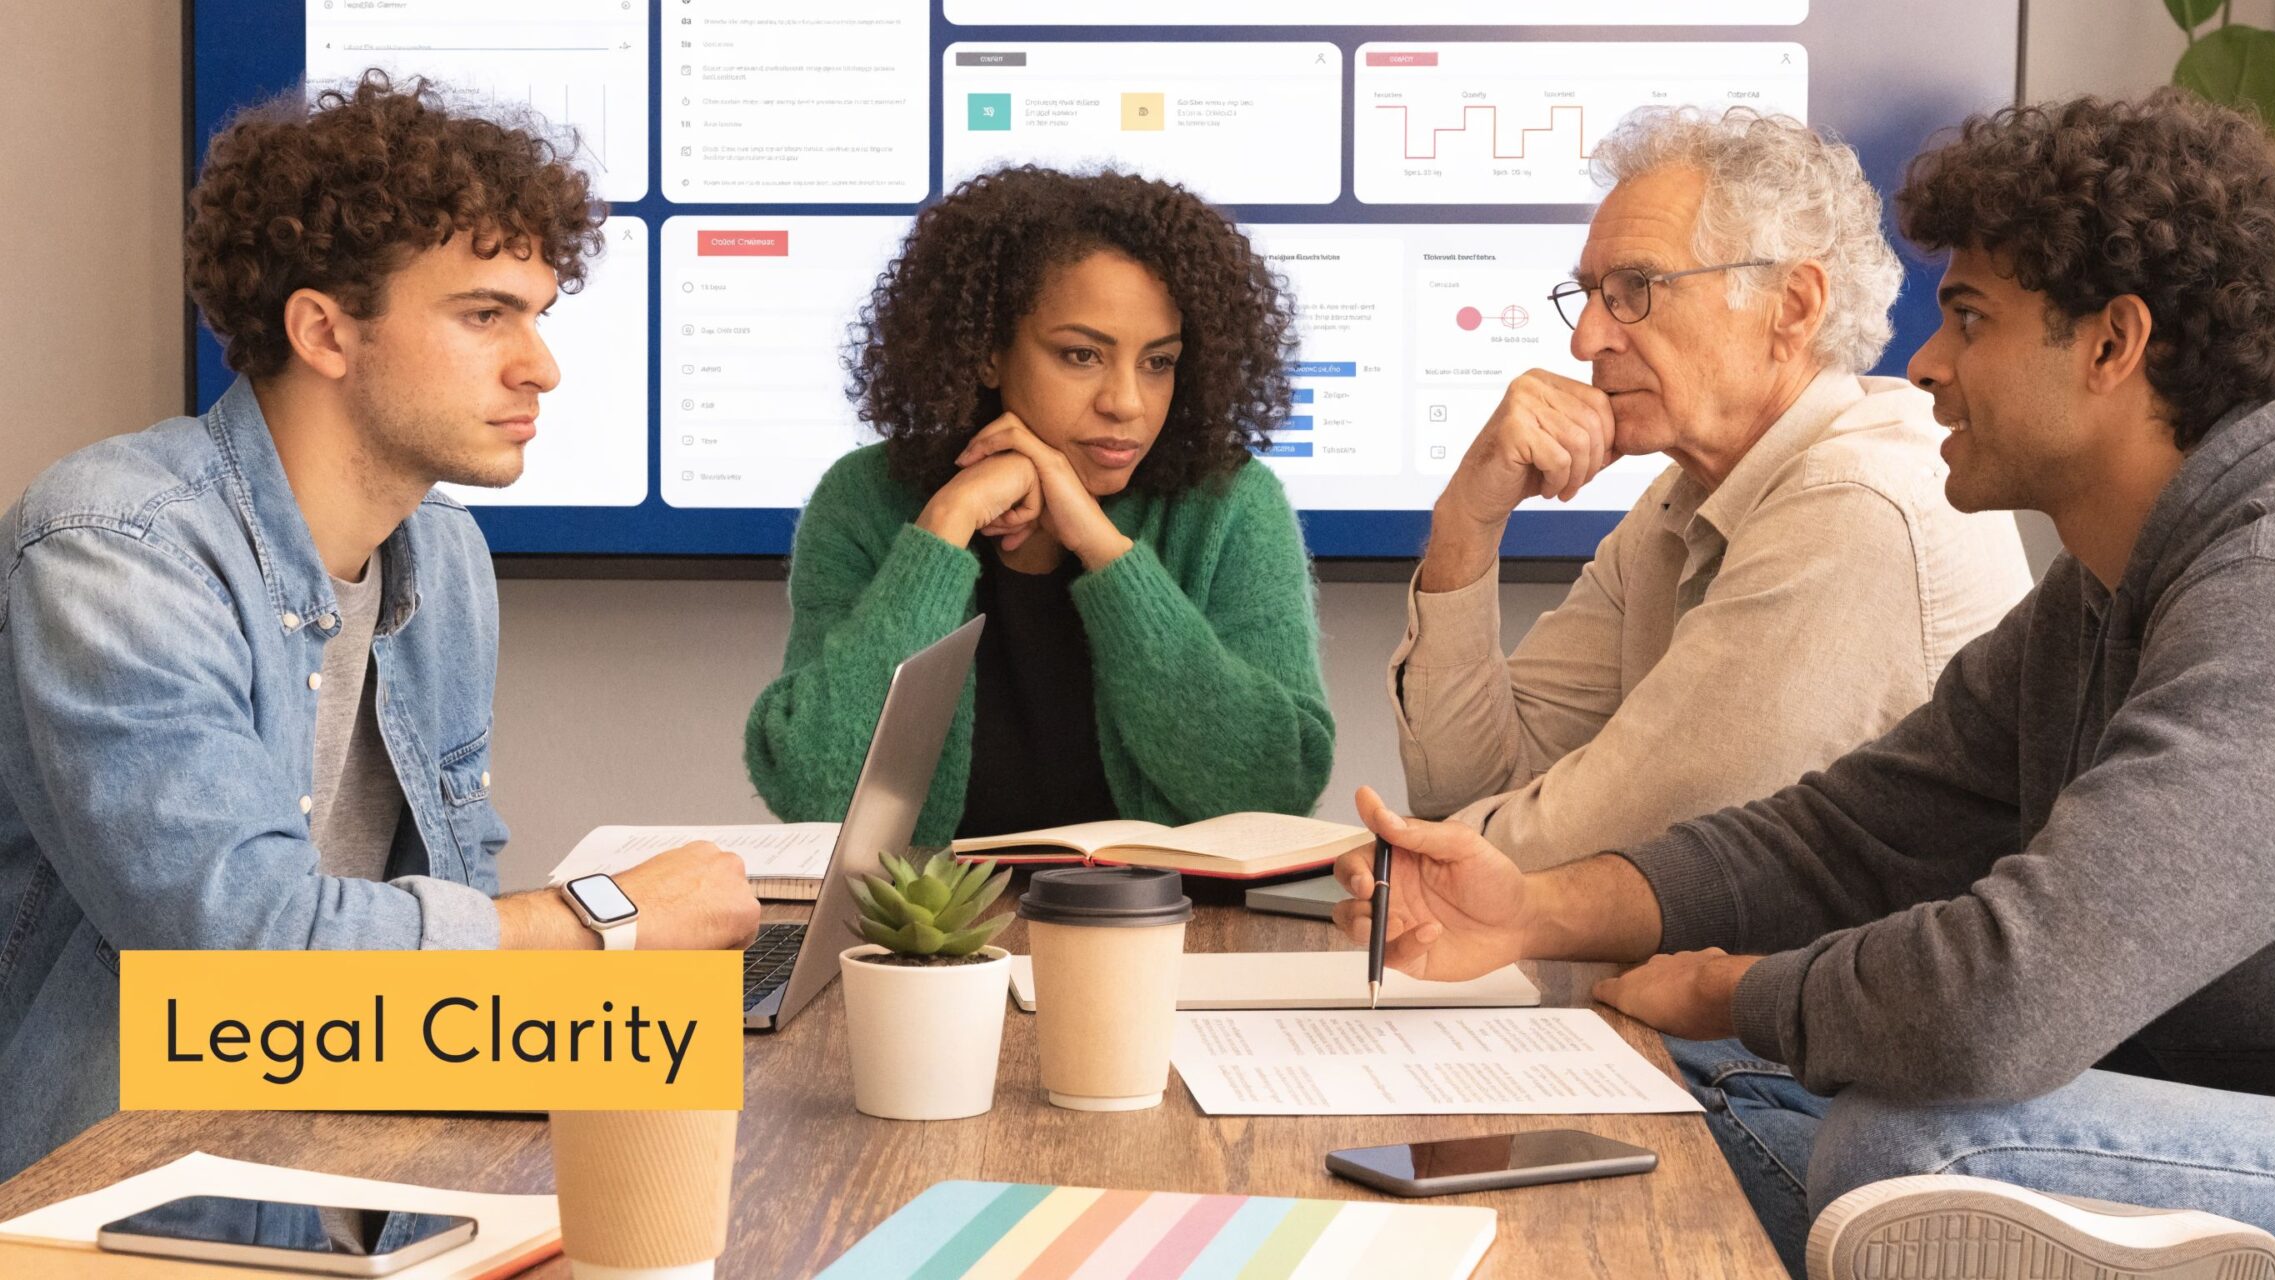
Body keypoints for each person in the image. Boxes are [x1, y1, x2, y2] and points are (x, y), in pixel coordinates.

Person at [1333, 92, 2275, 1279]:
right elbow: (1848, 836)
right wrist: (1536, 911)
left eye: (1968, 317)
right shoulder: (2108, 591)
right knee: (1701, 1074)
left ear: (2111, 344)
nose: (1923, 361)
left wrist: (1731, 987)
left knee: (1921, 1154)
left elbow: (2007, 996)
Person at [0, 74, 761, 1181]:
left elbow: (453, 890)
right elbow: (243, 946)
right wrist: (606, 916)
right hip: (137, 1191)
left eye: (537, 316)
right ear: (324, 329)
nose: (539, 365)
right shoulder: (115, 544)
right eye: (485, 314)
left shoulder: (443, 556)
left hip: (370, 1162)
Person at [1391, 107, 2030, 870]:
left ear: (1791, 307)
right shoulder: (1685, 495)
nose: (1585, 339)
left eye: (1634, 289)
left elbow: (1609, 844)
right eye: (1589, 294)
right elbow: (1476, 785)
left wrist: (1407, 862)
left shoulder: (1860, 500)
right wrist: (1466, 518)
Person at [745, 166, 1333, 844]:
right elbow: (816, 794)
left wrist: (1104, 550)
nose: (1126, 403)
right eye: (1082, 355)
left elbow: (1272, 790)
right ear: (989, 352)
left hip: (1171, 935)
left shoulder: (1228, 504)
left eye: (1158, 362)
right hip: (928, 938)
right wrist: (943, 528)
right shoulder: (866, 501)